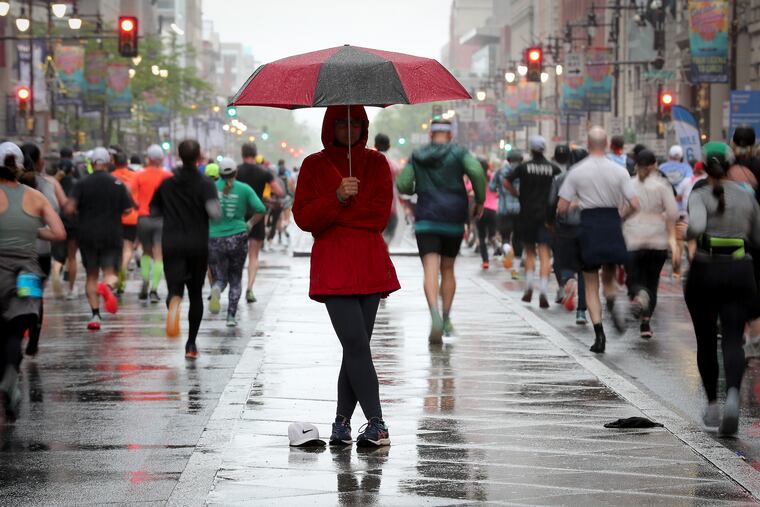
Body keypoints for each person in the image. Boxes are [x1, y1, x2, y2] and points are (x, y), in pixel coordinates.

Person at [293, 105, 400, 447]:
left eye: (357, 123)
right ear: (330, 125)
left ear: (365, 126)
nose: (350, 129)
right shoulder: (313, 165)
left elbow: (379, 216)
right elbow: (305, 218)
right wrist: (337, 198)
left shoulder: (376, 163)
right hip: (335, 265)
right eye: (343, 123)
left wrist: (339, 216)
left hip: (369, 263)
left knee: (357, 349)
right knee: (355, 344)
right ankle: (377, 423)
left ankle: (342, 421)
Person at [685, 141, 760, 436]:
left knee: (706, 340)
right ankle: (732, 394)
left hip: (705, 272)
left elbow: (697, 227)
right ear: (730, 166)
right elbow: (757, 236)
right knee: (732, 336)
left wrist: (686, 231)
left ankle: (713, 404)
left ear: (703, 166)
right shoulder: (747, 198)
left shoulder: (700, 194)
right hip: (740, 272)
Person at [396, 119, 486, 342]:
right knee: (448, 268)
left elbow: (404, 184)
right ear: (450, 135)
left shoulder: (418, 155)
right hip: (453, 216)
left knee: (430, 267)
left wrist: (416, 188)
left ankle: (434, 315)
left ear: (431, 135)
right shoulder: (459, 153)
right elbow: (476, 171)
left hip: (427, 215)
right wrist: (480, 200)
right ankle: (446, 318)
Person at [558, 127, 640, 353]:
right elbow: (635, 204)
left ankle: (600, 336)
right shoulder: (619, 170)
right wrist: (620, 217)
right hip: (612, 223)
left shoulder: (577, 171)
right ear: (606, 144)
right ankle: (613, 303)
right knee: (610, 278)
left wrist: (574, 206)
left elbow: (561, 207)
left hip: (589, 225)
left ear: (587, 143)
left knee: (591, 284)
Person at [0, 142, 65, 418]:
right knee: (19, 326)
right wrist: (33, 231)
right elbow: (59, 232)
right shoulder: (36, 197)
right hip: (28, 270)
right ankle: (11, 379)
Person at [150, 140, 220, 359]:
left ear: (178, 156)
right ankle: (191, 344)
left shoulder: (167, 183)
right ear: (199, 156)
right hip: (197, 244)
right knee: (197, 294)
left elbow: (154, 210)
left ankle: (174, 301)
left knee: (174, 288)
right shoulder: (206, 184)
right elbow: (214, 213)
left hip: (172, 242)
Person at [65, 147, 133, 331]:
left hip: (86, 234)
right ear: (108, 162)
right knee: (110, 272)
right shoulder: (117, 183)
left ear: (92, 163)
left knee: (91, 275)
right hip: (112, 233)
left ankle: (95, 316)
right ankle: (107, 286)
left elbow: (69, 208)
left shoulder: (81, 184)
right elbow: (128, 210)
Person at [622, 149, 679, 339]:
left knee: (633, 279)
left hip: (633, 239)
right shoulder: (663, 186)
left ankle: (638, 296)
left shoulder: (629, 185)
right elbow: (673, 213)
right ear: (655, 165)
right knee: (652, 281)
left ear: (636, 164)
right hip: (657, 241)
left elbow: (621, 210)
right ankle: (645, 324)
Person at [20, 142, 67, 356]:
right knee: (33, 294)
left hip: (12, 251)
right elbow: (57, 207)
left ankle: (18, 334)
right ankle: (33, 336)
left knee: (18, 294)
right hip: (39, 250)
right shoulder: (45, 184)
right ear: (38, 161)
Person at [208, 158, 266, 326]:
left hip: (214, 238)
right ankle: (231, 317)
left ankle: (216, 289)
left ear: (219, 173)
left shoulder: (210, 187)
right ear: (236, 172)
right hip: (237, 237)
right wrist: (250, 223)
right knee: (235, 277)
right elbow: (261, 209)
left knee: (219, 276)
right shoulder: (244, 189)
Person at [505, 135, 561, 308]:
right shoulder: (553, 169)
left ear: (531, 149)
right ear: (544, 149)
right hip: (546, 216)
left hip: (527, 214)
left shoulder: (524, 167)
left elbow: (506, 181)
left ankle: (528, 287)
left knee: (529, 252)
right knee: (545, 253)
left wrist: (517, 194)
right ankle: (543, 290)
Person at [236, 143, 284, 303]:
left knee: (236, 254)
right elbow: (280, 192)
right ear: (256, 154)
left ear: (242, 154)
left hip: (238, 216)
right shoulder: (264, 172)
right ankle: (249, 288)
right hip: (257, 216)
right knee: (253, 255)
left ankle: (233, 287)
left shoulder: (236, 171)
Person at [548, 146, 586, 319]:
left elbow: (551, 203)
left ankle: (569, 282)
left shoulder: (559, 178)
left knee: (565, 263)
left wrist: (550, 223)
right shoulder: (591, 178)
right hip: (586, 226)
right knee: (586, 269)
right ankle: (581, 312)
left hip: (564, 228)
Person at [134, 144, 171, 302]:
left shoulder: (139, 176)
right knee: (159, 254)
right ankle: (154, 289)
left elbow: (128, 192)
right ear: (162, 159)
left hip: (143, 218)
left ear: (148, 159)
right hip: (161, 220)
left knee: (146, 252)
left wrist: (137, 205)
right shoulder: (168, 176)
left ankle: (145, 280)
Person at [491, 150, 523, 278]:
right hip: (520, 210)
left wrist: (500, 190)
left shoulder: (500, 172)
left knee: (505, 237)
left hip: (504, 209)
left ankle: (507, 250)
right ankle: (515, 270)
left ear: (508, 159)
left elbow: (492, 188)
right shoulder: (523, 171)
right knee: (518, 238)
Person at [111, 152, 140, 295]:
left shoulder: (110, 176)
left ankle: (117, 273)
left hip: (114, 218)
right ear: (127, 164)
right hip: (132, 217)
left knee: (117, 249)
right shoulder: (135, 176)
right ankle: (123, 269)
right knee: (128, 248)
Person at [375, 133, 402, 245]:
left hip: (373, 207)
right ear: (389, 146)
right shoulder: (393, 164)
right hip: (390, 207)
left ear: (375, 145)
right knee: (387, 235)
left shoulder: (369, 162)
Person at [476, 158, 498, 269]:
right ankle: (499, 248)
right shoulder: (493, 176)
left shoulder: (476, 176)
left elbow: (471, 190)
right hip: (493, 209)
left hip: (481, 210)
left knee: (481, 237)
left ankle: (485, 261)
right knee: (492, 236)